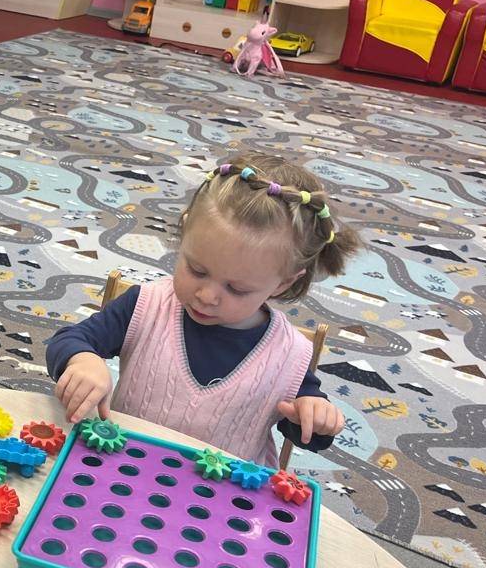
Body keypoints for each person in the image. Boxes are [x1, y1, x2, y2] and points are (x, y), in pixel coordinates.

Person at [46, 154, 360, 467]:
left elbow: (308, 434)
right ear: (185, 233)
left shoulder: (288, 354)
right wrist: (83, 360)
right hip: (123, 469)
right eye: (197, 270)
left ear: (284, 283)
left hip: (224, 492)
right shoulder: (147, 305)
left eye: (237, 289)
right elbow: (69, 340)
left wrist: (315, 416)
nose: (207, 296)